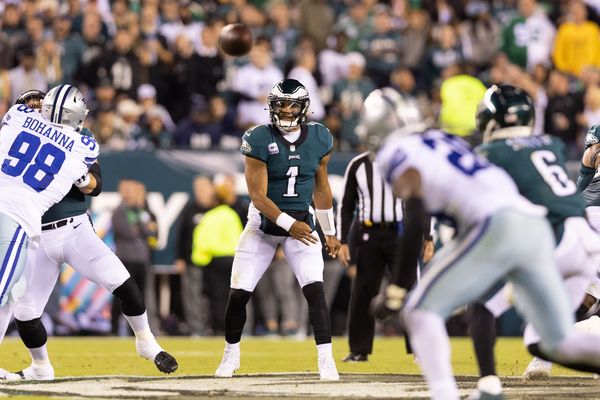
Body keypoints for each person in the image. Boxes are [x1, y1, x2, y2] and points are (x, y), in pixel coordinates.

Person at [364, 87, 600, 400]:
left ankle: (448, 394)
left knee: (420, 312)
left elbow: (416, 218)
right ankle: (488, 389)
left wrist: (397, 290)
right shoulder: (446, 139)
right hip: (535, 226)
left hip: (497, 226)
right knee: (552, 342)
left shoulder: (398, 152)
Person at [0, 88, 177, 381]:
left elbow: (95, 185)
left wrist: (79, 176)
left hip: (72, 228)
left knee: (124, 283)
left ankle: (147, 341)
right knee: (26, 313)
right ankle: (41, 367)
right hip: (35, 235)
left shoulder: (29, 124)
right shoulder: (79, 143)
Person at [467, 84, 600, 396]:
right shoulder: (550, 146)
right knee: (583, 298)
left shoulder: (507, 152)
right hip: (585, 224)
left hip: (578, 222)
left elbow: (580, 180)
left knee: (580, 299)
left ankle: (530, 364)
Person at [214, 78, 341, 380]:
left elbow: (322, 188)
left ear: (303, 108)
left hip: (302, 223)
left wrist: (331, 231)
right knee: (239, 294)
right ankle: (231, 355)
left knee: (315, 289)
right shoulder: (257, 138)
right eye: (280, 104)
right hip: (263, 226)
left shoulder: (321, 138)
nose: (285, 110)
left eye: (292, 105)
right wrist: (290, 225)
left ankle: (326, 358)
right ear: (271, 107)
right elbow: (258, 197)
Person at [0, 84, 96, 372]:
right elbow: (90, 183)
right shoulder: (84, 145)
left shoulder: (16, 116)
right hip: (16, 216)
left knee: (10, 294)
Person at [337, 143, 427, 362]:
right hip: (369, 233)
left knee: (409, 289)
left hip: (400, 233)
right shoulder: (358, 164)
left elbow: (423, 198)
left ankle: (419, 348)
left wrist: (429, 236)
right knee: (363, 290)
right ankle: (359, 349)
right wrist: (342, 240)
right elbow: (347, 204)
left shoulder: (408, 160)